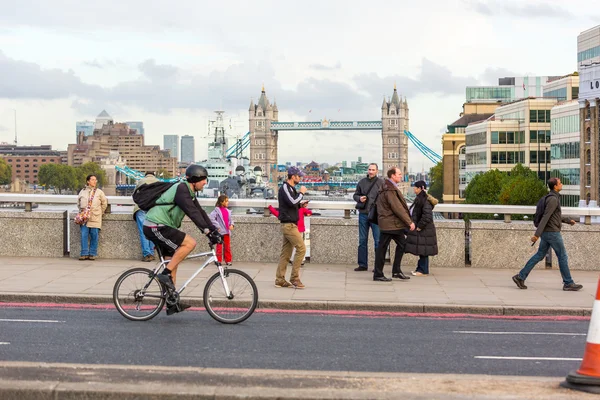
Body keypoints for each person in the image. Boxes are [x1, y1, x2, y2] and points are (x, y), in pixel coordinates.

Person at [143, 164, 222, 315]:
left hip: (162, 226)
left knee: (173, 261)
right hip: (156, 226)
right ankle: (164, 274)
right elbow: (192, 213)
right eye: (204, 180)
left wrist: (213, 230)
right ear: (195, 179)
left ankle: (171, 301)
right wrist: (206, 232)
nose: (205, 183)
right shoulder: (182, 190)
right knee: (190, 243)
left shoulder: (189, 191)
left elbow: (200, 212)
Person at [512, 178, 583, 291]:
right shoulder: (553, 199)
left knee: (540, 255)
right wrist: (537, 234)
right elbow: (546, 217)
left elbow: (554, 216)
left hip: (547, 232)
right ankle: (568, 283)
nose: (562, 184)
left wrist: (568, 221)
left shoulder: (552, 198)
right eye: (560, 183)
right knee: (562, 256)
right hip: (552, 233)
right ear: (555, 186)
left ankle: (520, 277)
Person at [373, 167, 415, 282]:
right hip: (390, 224)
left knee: (401, 245)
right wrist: (409, 222)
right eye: (399, 174)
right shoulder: (390, 189)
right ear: (392, 175)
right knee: (384, 248)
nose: (401, 176)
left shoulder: (387, 186)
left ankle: (395, 271)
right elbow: (397, 208)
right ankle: (379, 274)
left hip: (391, 224)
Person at [275, 166, 307, 289]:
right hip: (288, 225)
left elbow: (292, 204)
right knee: (301, 249)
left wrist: (300, 205)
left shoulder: (290, 189)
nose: (300, 178)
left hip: (290, 223)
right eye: (299, 176)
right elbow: (292, 202)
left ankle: (280, 279)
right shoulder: (285, 187)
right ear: (293, 176)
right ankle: (294, 278)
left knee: (286, 254)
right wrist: (301, 193)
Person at [353, 163, 383, 272]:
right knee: (362, 240)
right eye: (369, 169)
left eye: (373, 170)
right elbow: (355, 195)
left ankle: (377, 266)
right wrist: (359, 198)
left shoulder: (381, 183)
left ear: (377, 171)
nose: (371, 172)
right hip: (363, 214)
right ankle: (362, 264)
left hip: (376, 215)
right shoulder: (362, 182)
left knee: (378, 241)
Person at [404, 180, 438, 276]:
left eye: (415, 187)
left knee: (423, 250)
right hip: (423, 229)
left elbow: (427, 216)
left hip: (424, 230)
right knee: (422, 250)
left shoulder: (424, 200)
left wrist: (419, 226)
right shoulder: (420, 198)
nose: (414, 189)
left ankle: (422, 270)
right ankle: (421, 269)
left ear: (420, 188)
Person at [269, 201, 313, 266]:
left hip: (291, 229)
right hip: (300, 229)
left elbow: (278, 214)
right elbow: (309, 213)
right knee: (300, 246)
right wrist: (305, 207)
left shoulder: (288, 211)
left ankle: (293, 259)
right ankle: (301, 260)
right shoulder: (301, 209)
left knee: (291, 246)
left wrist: (270, 207)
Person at [77, 174, 108, 261]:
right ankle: (84, 253)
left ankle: (93, 253)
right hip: (85, 218)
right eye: (93, 180)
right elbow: (78, 203)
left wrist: (100, 212)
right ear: (88, 181)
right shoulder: (82, 192)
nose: (95, 181)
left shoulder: (99, 192)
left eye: (95, 180)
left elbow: (104, 203)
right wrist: (83, 212)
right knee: (84, 235)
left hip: (95, 217)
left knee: (94, 235)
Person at [133, 172, 158, 262]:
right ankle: (151, 252)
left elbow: (134, 195)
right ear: (154, 175)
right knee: (152, 231)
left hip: (141, 208)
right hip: (154, 208)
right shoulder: (158, 181)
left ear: (146, 175)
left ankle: (146, 254)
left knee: (143, 232)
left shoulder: (141, 181)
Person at [209, 194, 234, 266]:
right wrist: (217, 226)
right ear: (221, 202)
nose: (227, 203)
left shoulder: (227, 211)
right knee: (219, 247)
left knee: (227, 247)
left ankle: (228, 260)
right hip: (220, 232)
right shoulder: (216, 211)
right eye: (226, 201)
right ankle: (218, 260)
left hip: (226, 231)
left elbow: (230, 220)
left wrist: (231, 224)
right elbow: (211, 218)